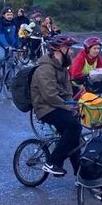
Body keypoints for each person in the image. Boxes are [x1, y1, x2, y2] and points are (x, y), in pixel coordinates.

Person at [32, 35, 82, 177]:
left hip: (57, 105)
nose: (72, 52)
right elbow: (50, 95)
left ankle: (80, 173)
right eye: (69, 48)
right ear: (61, 49)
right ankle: (53, 162)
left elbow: (67, 91)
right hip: (45, 108)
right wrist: (68, 107)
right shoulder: (45, 69)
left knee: (74, 137)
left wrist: (73, 104)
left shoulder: (62, 67)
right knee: (74, 127)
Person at [0, 9, 19, 79]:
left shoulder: (14, 23)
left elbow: (16, 35)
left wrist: (17, 44)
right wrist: (6, 45)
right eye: (8, 15)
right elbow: (1, 36)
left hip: (11, 45)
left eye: (11, 15)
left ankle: (8, 80)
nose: (10, 16)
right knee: (1, 58)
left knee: (10, 62)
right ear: (3, 15)